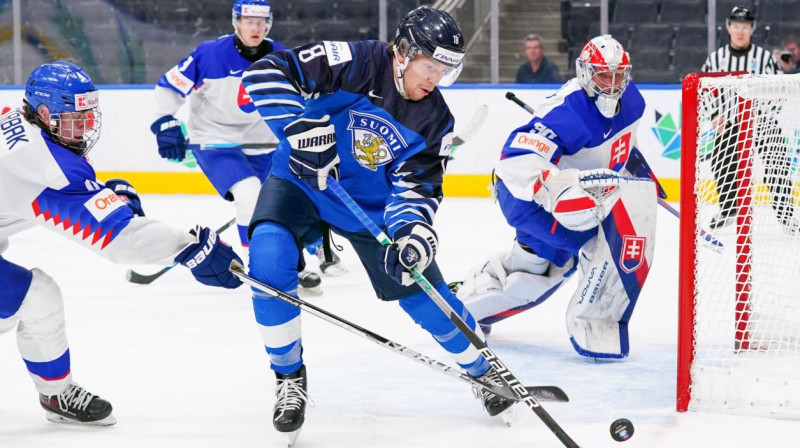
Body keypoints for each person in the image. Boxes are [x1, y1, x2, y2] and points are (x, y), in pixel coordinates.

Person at [240, 5, 516, 442]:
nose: (435, 79)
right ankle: (289, 377)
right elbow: (266, 73)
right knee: (268, 259)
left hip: (366, 208)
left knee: (425, 295)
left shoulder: (433, 119)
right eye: (430, 66)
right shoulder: (355, 60)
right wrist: (300, 128)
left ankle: (483, 369)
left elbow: (417, 189)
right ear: (404, 53)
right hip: (300, 182)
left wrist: (411, 235)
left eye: (445, 70)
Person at [0, 61, 242, 425]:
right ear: (46, 112)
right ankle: (56, 393)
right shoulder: (47, 165)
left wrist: (104, 194)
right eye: (75, 119)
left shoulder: (15, 119)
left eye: (87, 116)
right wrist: (187, 248)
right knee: (37, 297)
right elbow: (119, 241)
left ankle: (55, 391)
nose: (84, 127)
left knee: (33, 297)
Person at [454, 35, 659, 360]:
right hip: (526, 198)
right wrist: (559, 187)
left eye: (619, 75)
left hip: (575, 197)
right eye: (603, 76)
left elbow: (622, 144)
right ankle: (468, 304)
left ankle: (471, 303)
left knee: (537, 266)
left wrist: (637, 171)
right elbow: (514, 161)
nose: (612, 84)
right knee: (561, 261)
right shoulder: (566, 110)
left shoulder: (633, 100)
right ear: (584, 73)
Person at [149, 0, 346, 295]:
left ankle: (298, 258)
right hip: (216, 142)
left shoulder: (283, 57)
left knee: (291, 202)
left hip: (266, 146)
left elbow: (309, 96)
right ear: (236, 22)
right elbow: (169, 87)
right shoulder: (209, 54)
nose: (255, 28)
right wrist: (165, 122)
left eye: (260, 22)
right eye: (248, 21)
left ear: (268, 23)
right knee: (249, 194)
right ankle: (265, 269)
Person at [700, 5, 793, 230]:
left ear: (751, 29)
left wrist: (762, 114)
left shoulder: (764, 58)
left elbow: (778, 90)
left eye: (745, 27)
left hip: (761, 122)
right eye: (736, 26)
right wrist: (714, 115)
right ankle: (729, 209)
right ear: (728, 28)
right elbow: (704, 91)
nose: (740, 31)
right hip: (730, 124)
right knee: (720, 161)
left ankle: (786, 215)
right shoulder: (716, 60)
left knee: (778, 162)